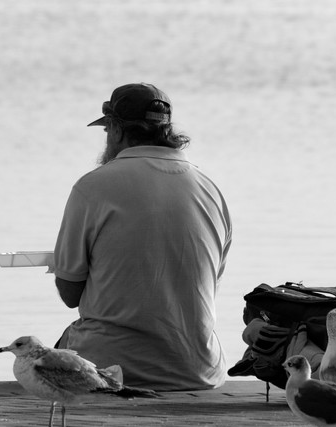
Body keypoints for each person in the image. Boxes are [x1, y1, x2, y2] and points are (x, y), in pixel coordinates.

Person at [52, 82, 232, 391]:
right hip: (197, 369)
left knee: (50, 357)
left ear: (118, 131)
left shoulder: (93, 187)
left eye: (107, 131)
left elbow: (69, 293)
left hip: (113, 367)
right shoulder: (211, 190)